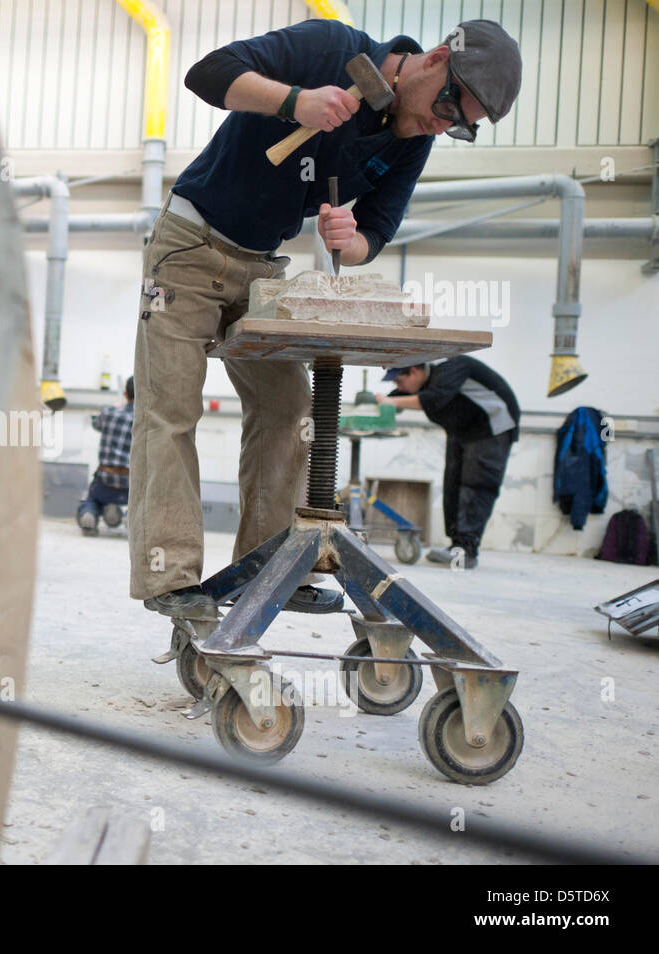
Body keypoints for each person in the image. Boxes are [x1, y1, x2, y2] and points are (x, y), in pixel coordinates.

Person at [129, 18, 522, 620]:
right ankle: (171, 578)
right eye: (447, 105)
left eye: (460, 126)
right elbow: (206, 73)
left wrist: (351, 237)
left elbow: (377, 229)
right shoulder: (331, 49)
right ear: (436, 57)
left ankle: (265, 569)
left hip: (263, 268)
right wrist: (295, 101)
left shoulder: (414, 136)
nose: (443, 124)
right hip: (189, 245)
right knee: (170, 410)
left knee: (288, 409)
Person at [376, 357, 521, 568]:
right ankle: (456, 547)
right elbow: (399, 397)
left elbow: (433, 399)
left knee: (476, 485)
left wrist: (392, 402)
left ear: (414, 371)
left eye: (399, 381)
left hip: (491, 429)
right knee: (452, 486)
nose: (398, 387)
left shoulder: (453, 368)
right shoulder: (424, 383)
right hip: (462, 432)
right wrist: (378, 404)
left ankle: (466, 552)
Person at [78, 376, 135, 536]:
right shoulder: (146, 419)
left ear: (125, 393)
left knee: (90, 498)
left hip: (104, 483)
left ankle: (90, 513)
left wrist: (112, 408)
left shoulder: (109, 412)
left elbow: (96, 424)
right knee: (143, 500)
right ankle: (132, 516)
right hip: (130, 487)